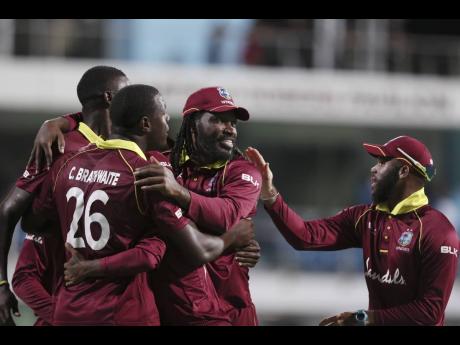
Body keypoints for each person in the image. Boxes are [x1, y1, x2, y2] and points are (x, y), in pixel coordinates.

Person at [21, 84, 254, 325]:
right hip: (122, 311)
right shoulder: (147, 174)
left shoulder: (68, 163)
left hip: (69, 308)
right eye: (163, 117)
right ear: (145, 124)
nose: (167, 125)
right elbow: (195, 251)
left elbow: (32, 223)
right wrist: (233, 238)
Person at [245, 135, 459, 326]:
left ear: (403, 171)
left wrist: (364, 318)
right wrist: (270, 195)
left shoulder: (439, 232)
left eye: (383, 162)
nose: (373, 169)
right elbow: (304, 236)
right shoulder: (364, 217)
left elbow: (429, 313)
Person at [0, 65, 129, 325]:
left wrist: (59, 120)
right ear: (109, 97)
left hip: (116, 302)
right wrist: (1, 283)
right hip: (72, 299)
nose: (131, 97)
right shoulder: (60, 146)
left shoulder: (129, 145)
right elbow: (8, 211)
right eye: (126, 90)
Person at [133, 86, 262, 325]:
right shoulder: (163, 162)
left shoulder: (243, 171)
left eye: (232, 123)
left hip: (231, 312)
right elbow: (117, 121)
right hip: (172, 309)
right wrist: (63, 122)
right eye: (218, 120)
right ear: (192, 123)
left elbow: (228, 215)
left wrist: (178, 193)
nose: (229, 129)